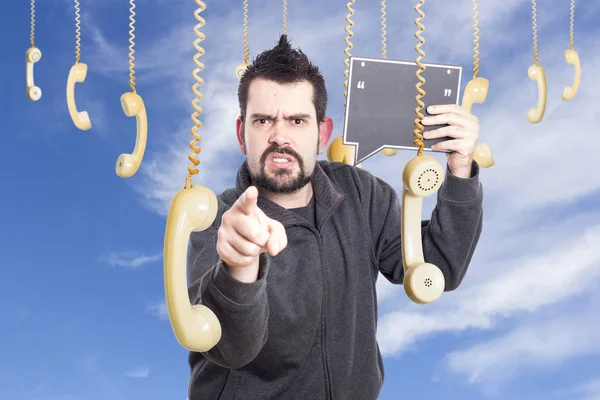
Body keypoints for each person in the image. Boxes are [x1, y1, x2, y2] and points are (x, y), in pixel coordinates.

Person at [186, 34, 483, 400]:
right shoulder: (215, 222)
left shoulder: (364, 194)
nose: (279, 136)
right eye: (262, 121)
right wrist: (238, 267)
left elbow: (440, 268)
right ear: (241, 133)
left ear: (322, 133)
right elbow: (231, 349)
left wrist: (460, 168)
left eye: (297, 121)